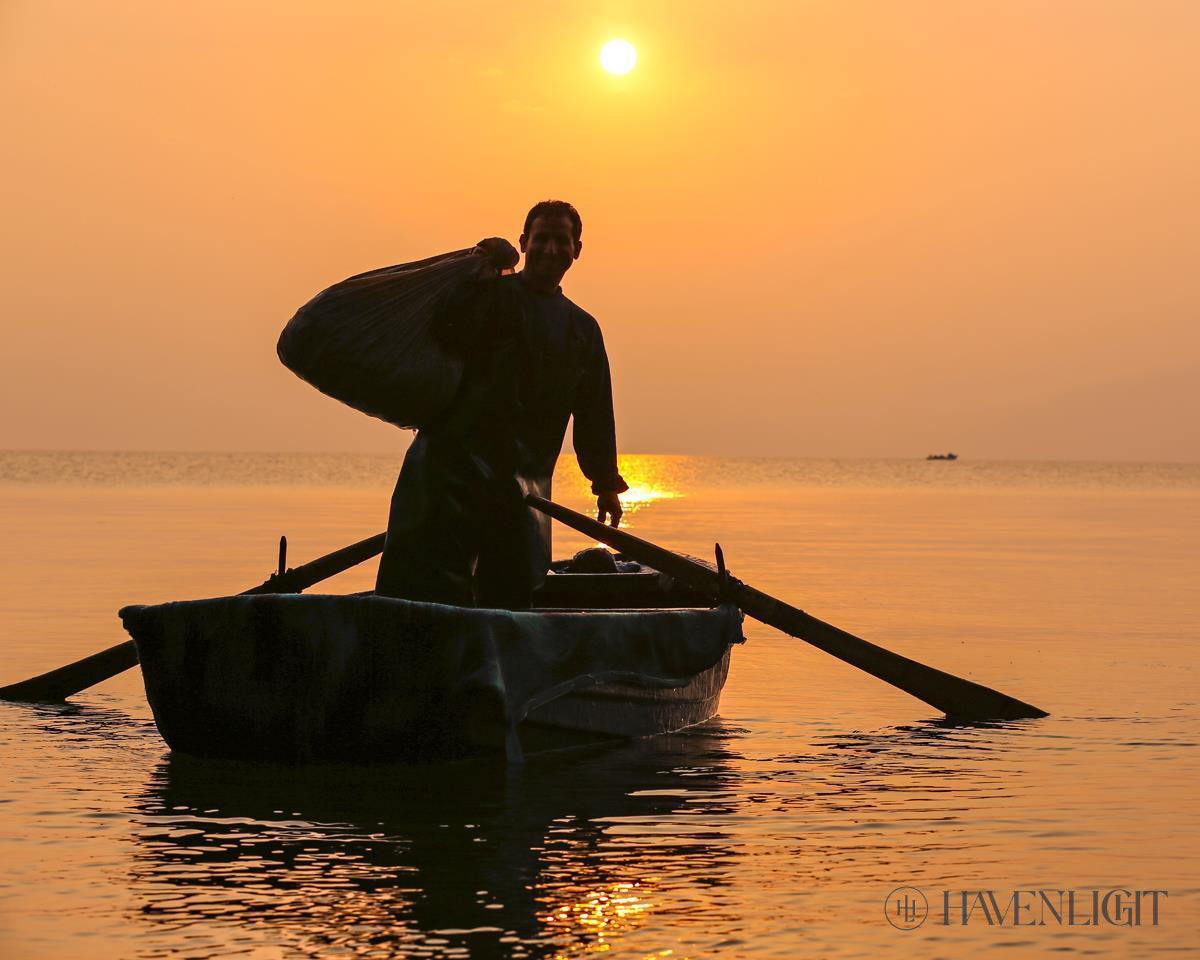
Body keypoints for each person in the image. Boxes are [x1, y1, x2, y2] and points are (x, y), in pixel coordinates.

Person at [375, 200, 627, 609]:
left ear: (576, 250)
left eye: (561, 241)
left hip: (520, 491)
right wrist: (472, 268)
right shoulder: (487, 298)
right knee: (416, 598)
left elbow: (595, 415)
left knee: (508, 601)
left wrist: (605, 484)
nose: (550, 249)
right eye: (541, 238)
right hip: (444, 476)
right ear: (524, 242)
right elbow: (440, 329)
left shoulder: (582, 330)